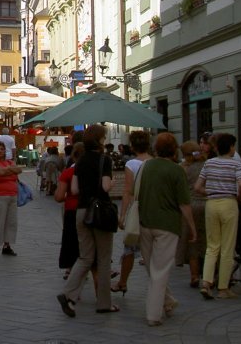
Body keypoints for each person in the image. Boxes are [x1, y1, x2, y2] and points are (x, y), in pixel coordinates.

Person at [135, 132, 196, 327]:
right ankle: (153, 314)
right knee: (160, 270)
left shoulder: (145, 166)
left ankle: (168, 301)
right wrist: (193, 228)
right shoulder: (176, 170)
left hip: (144, 222)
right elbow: (184, 204)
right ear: (174, 149)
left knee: (153, 269)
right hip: (167, 225)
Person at [58, 124, 116, 318]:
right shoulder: (104, 160)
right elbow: (106, 187)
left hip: (81, 211)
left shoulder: (80, 161)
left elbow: (74, 190)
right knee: (104, 259)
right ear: (100, 140)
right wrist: (112, 182)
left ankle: (68, 294)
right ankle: (104, 303)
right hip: (99, 212)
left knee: (85, 257)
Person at [195, 132, 241, 299]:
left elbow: (197, 187)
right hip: (229, 204)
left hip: (211, 204)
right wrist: (238, 196)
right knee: (227, 247)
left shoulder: (209, 163)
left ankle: (206, 282)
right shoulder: (236, 165)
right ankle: (223, 288)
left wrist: (209, 192)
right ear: (230, 147)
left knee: (212, 246)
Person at [113, 129, 151, 294]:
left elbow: (128, 191)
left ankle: (123, 281)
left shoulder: (131, 164)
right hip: (153, 208)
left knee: (129, 247)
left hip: (136, 210)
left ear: (133, 146)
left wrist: (122, 215)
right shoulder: (154, 162)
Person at [177, 140, 207, 287]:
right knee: (209, 241)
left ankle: (194, 276)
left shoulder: (182, 169)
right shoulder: (207, 165)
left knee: (192, 242)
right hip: (208, 204)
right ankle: (210, 274)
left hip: (190, 207)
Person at [55, 144, 83, 277]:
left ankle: (70, 268)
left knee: (71, 239)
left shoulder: (68, 172)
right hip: (91, 209)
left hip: (72, 209)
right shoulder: (97, 171)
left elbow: (59, 197)